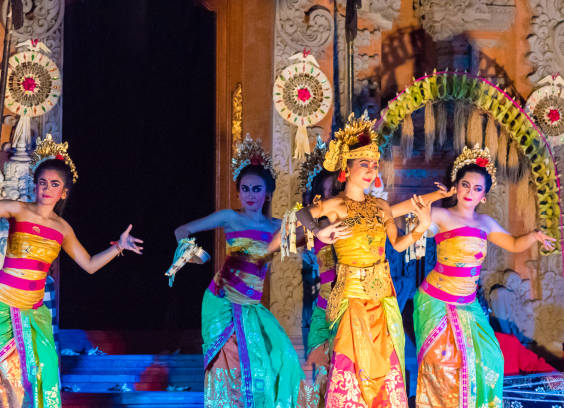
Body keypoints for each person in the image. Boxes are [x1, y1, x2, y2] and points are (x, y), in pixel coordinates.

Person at [0, 136, 143, 408]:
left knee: (47, 373)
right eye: (42, 182)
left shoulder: (63, 229)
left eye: (55, 184)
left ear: (63, 192)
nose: (47, 188)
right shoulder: (19, 209)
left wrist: (119, 247)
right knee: (9, 379)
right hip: (1, 305)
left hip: (34, 310)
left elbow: (88, 265)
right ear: (35, 185)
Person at [293, 114, 441, 407]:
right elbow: (301, 214)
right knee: (351, 364)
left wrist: (421, 228)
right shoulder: (336, 204)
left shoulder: (381, 206)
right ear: (346, 168)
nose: (371, 169)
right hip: (351, 299)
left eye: (374, 164)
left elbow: (398, 246)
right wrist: (319, 228)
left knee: (385, 367)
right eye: (364, 164)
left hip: (383, 299)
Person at [174, 136, 314, 407]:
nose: (251, 195)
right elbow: (183, 230)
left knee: (283, 356)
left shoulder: (277, 226)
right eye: (246, 189)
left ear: (268, 193)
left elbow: (308, 235)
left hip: (251, 306)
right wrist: (191, 252)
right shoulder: (230, 217)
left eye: (257, 189)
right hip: (223, 303)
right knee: (231, 369)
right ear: (238, 192)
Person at [413, 144, 556, 408]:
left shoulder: (485, 224)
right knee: (442, 362)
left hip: (468, 305)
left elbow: (513, 244)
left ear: (485, 196)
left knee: (490, 358)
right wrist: (424, 215)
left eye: (477, 188)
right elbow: (418, 225)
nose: (470, 192)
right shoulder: (441, 215)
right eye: (466, 185)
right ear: (456, 187)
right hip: (436, 302)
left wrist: (534, 236)